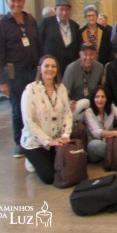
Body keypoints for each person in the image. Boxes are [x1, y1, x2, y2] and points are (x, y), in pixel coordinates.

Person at [0, 0, 42, 157]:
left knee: (35, 105)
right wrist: (2, 81)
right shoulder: (2, 25)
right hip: (15, 73)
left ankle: (34, 137)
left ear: (24, 1)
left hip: (32, 70)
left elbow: (38, 44)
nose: (16, 4)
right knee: (18, 108)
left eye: (19, 0)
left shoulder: (30, 20)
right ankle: (19, 142)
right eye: (13, 1)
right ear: (7, 2)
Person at [20, 55, 72, 184]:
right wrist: (48, 141)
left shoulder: (61, 89)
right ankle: (31, 159)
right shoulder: (30, 90)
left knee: (67, 169)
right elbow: (29, 122)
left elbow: (67, 114)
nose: (50, 69)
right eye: (46, 66)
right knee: (49, 177)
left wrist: (66, 135)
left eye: (53, 66)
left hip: (57, 139)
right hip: (35, 142)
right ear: (39, 69)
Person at [84, 86, 117, 163]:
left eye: (103, 97)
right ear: (93, 99)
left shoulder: (111, 107)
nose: (100, 100)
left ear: (107, 98)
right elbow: (97, 132)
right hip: (97, 146)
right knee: (95, 145)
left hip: (111, 143)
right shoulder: (88, 112)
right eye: (97, 97)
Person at [39, 0, 81, 76]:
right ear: (55, 10)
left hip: (70, 67)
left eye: (67, 10)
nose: (64, 13)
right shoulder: (46, 23)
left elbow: (78, 45)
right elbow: (39, 42)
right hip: (51, 66)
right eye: (61, 9)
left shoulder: (74, 25)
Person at [63, 43, 104, 123]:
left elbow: (100, 88)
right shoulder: (71, 68)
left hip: (93, 105)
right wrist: (69, 102)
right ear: (80, 55)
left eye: (91, 54)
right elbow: (64, 93)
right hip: (76, 106)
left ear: (95, 55)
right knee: (84, 103)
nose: (88, 57)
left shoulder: (100, 67)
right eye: (85, 54)